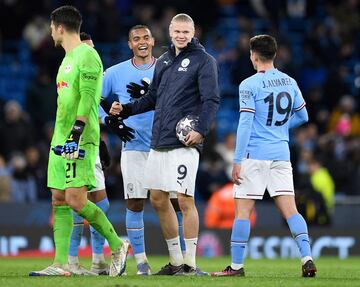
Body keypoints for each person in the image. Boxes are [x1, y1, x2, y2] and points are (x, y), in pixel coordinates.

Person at [111, 14, 220, 275]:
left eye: (186, 31)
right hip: (159, 141)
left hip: (184, 142)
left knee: (184, 199)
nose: (182, 36)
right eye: (177, 31)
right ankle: (175, 262)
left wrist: (201, 131)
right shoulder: (164, 60)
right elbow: (152, 98)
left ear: (194, 32)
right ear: (170, 32)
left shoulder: (204, 61)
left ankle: (191, 265)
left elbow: (211, 100)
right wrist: (125, 110)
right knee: (158, 199)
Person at [29, 6, 128, 277]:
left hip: (79, 138)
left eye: (51, 27)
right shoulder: (67, 59)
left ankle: (118, 245)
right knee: (59, 198)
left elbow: (88, 97)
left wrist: (76, 132)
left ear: (60, 27)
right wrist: (62, 136)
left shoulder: (87, 55)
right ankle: (61, 264)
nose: (50, 32)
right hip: (60, 139)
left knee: (75, 199)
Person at [212, 34, 317, 277]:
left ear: (253, 55)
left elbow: (245, 124)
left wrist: (237, 160)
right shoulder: (289, 82)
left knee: (242, 212)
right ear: (274, 54)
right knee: (291, 210)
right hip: (281, 154)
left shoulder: (249, 84)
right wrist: (280, 129)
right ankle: (307, 258)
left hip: (255, 155)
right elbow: (303, 117)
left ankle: (236, 267)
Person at [99, 25, 186, 275]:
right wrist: (110, 122)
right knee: (135, 203)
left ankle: (178, 260)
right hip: (134, 146)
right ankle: (141, 263)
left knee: (174, 203)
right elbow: (94, 101)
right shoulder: (115, 73)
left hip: (165, 145)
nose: (142, 42)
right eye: (136, 39)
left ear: (153, 40)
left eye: (146, 37)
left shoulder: (168, 67)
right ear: (130, 44)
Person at [66, 32, 116, 276]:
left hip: (91, 144)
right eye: (88, 48)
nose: (93, 53)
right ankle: (72, 259)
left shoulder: (90, 76)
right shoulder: (73, 73)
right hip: (77, 144)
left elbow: (93, 109)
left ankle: (97, 260)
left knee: (99, 201)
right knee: (77, 201)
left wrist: (102, 140)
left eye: (94, 48)